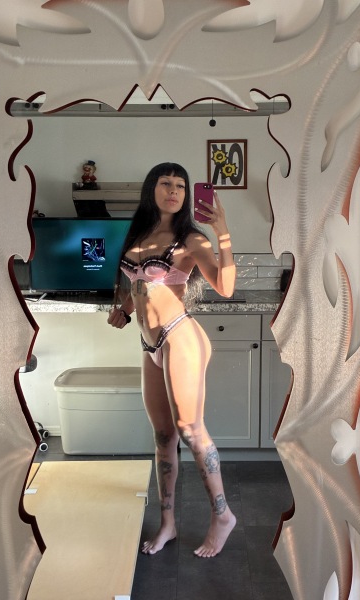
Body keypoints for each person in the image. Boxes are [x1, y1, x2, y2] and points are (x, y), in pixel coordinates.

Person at [107, 162, 237, 558]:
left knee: (190, 430)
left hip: (180, 337)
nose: (174, 190)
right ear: (152, 188)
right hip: (150, 345)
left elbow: (225, 287)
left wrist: (222, 232)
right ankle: (168, 523)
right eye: (166, 183)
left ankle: (223, 515)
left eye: (180, 185)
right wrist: (125, 310)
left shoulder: (191, 239)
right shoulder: (139, 234)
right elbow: (138, 284)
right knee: (163, 436)